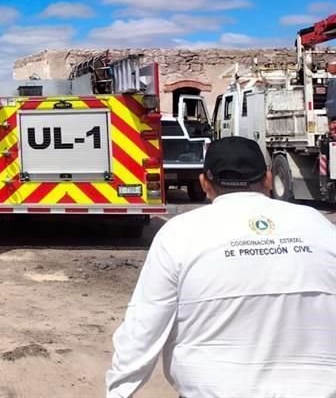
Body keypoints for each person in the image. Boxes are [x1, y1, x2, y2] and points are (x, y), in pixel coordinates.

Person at [106, 136, 336, 398]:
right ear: (268, 179)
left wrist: (119, 392)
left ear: (205, 183)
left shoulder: (180, 234)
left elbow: (143, 327)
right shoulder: (318, 226)